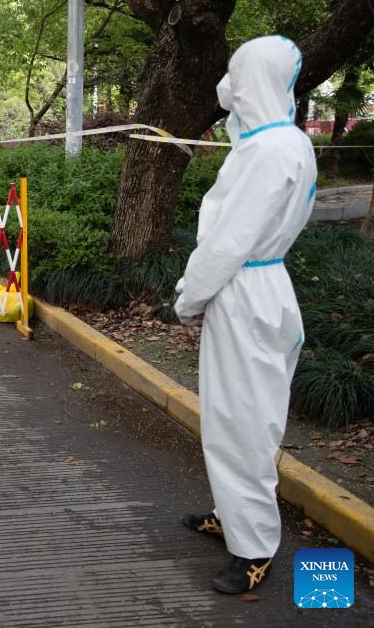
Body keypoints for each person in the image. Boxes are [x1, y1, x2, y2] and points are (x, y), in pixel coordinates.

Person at [175, 36, 317, 595]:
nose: (227, 84)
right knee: (238, 415)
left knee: (244, 423)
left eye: (236, 70)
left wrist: (189, 298)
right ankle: (233, 517)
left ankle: (254, 548)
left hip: (244, 288)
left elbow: (228, 242)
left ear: (252, 76)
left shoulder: (270, 151)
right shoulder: (281, 142)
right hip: (259, 287)